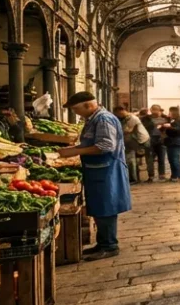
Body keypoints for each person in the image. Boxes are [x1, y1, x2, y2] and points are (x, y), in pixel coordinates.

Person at [58, 92, 131, 260]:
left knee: (106, 207)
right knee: (100, 207)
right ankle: (103, 243)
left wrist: (73, 151)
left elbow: (106, 145)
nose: (75, 112)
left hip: (106, 169)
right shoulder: (94, 119)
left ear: (88, 105)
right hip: (98, 169)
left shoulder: (103, 119)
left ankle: (110, 246)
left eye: (76, 109)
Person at [115, 106, 152, 184]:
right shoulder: (127, 118)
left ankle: (143, 177)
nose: (118, 115)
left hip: (141, 139)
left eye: (118, 113)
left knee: (137, 159)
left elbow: (129, 130)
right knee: (133, 159)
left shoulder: (132, 118)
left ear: (121, 111)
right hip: (134, 140)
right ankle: (136, 178)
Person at [160, 107, 180, 181]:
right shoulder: (175, 120)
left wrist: (169, 127)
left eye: (170, 112)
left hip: (175, 142)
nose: (169, 114)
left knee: (174, 159)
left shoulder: (178, 120)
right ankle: (174, 175)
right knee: (172, 159)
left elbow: (178, 130)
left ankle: (177, 175)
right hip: (172, 142)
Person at [143, 105, 169, 180]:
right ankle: (151, 175)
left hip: (161, 140)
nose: (155, 111)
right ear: (150, 110)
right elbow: (144, 127)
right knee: (150, 159)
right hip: (149, 139)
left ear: (160, 110)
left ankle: (162, 174)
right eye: (153, 110)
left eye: (157, 110)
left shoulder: (165, 118)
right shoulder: (146, 119)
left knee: (161, 158)